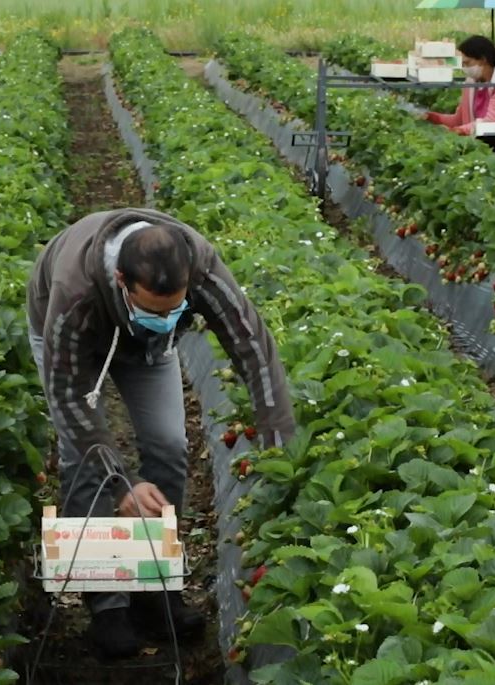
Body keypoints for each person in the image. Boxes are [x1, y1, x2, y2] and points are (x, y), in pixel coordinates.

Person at [25, 208, 297, 658]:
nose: (167, 316)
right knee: (83, 462)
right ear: (120, 281)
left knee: (170, 444)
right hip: (73, 346)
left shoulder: (202, 267)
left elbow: (252, 347)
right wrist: (122, 483)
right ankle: (106, 605)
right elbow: (71, 402)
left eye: (175, 309)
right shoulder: (72, 293)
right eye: (155, 310)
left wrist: (278, 443)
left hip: (149, 350)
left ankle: (156, 589)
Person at [423, 35, 495, 159]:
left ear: (483, 59)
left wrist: (460, 131)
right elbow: (459, 119)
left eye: (468, 63)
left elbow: (491, 120)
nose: (465, 68)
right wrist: (434, 118)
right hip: (485, 146)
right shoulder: (472, 84)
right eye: (463, 64)